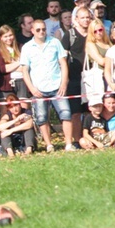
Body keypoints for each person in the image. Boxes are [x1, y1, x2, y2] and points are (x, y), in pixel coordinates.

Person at [20, 19, 74, 152]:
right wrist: (32, 88)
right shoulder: (27, 47)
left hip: (57, 86)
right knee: (42, 118)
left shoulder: (55, 42)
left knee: (66, 114)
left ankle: (68, 144)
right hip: (38, 88)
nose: (41, 32)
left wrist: (63, 83)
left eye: (43, 29)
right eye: (38, 30)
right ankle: (49, 145)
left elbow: (63, 64)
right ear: (32, 31)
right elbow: (25, 71)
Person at [62, 8, 93, 143]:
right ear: (77, 19)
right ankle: (77, 140)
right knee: (75, 112)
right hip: (74, 78)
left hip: (92, 77)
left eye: (88, 17)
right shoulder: (70, 35)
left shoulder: (95, 32)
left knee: (91, 110)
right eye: (83, 17)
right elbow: (62, 57)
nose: (86, 20)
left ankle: (91, 138)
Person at [0, 25, 26, 110]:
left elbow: (25, 67)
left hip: (22, 82)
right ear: (0, 38)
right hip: (5, 84)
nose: (9, 38)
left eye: (10, 35)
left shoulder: (21, 47)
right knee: (6, 112)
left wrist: (11, 65)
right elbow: (2, 69)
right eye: (5, 36)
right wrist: (19, 62)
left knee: (24, 109)